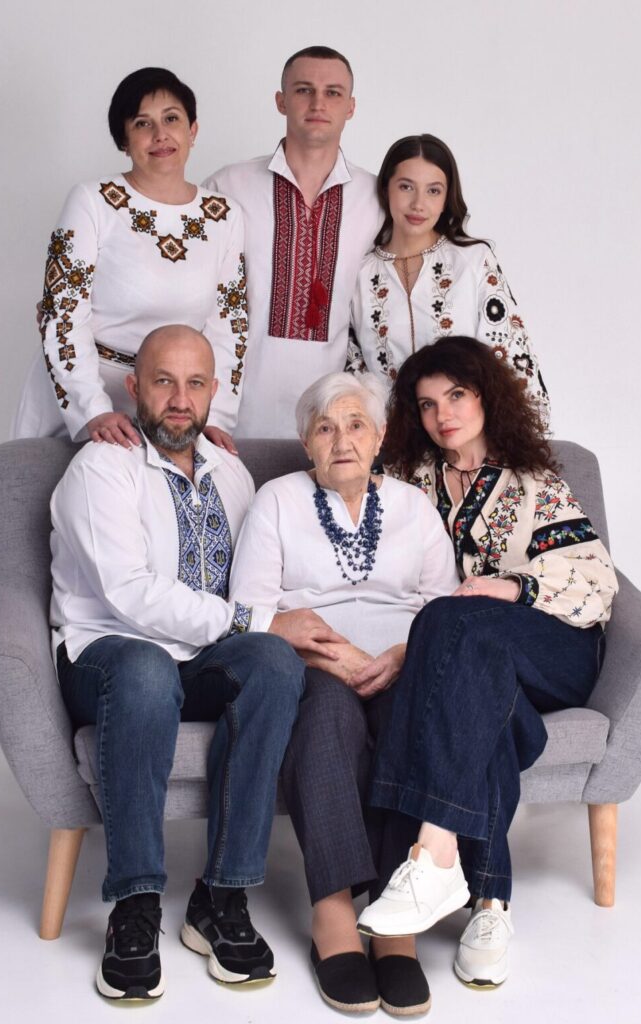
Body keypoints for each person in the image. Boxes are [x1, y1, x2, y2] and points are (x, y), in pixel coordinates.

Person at [50, 325, 344, 1000]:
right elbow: (129, 596)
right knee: (147, 670)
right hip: (107, 654)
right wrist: (256, 621)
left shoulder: (229, 469)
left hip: (201, 657)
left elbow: (258, 577)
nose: (179, 400)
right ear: (134, 387)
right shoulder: (100, 468)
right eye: (163, 382)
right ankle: (135, 905)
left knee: (274, 663)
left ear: (214, 391)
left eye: (194, 384)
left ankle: (221, 896)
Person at [356, 336, 617, 988]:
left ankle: (433, 856)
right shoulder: (409, 482)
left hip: (554, 648)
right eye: (426, 404)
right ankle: (489, 906)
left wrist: (511, 586)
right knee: (482, 703)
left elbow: (595, 583)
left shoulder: (533, 483)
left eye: (456, 395)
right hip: (474, 662)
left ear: (485, 397)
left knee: (452, 622)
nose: (442, 414)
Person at [230, 372, 460, 1015]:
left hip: (402, 663)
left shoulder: (414, 507)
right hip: (313, 664)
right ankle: (332, 911)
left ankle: (393, 920)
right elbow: (251, 608)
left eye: (356, 424)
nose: (342, 440)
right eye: (325, 428)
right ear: (306, 443)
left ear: (380, 436)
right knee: (327, 718)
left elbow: (444, 611)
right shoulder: (277, 500)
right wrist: (332, 656)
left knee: (409, 722)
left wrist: (401, 656)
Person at [14, 68, 247, 453]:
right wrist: (93, 410)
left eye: (171, 119)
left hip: (173, 404)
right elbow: (62, 314)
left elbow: (230, 325)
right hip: (86, 395)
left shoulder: (224, 214)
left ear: (192, 131)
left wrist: (215, 416)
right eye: (142, 123)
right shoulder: (92, 201)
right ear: (124, 139)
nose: (160, 135)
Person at [204, 46, 381, 439]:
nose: (318, 103)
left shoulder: (377, 199)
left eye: (333, 92)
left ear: (350, 107)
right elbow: (192, 298)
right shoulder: (227, 187)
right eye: (304, 90)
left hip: (336, 426)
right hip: (229, 416)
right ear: (281, 101)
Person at [349, 134, 550, 424]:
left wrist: (518, 438)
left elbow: (510, 355)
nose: (418, 204)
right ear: (385, 189)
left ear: (446, 198)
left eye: (433, 191)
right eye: (406, 187)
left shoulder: (473, 261)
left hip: (468, 439)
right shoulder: (358, 274)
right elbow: (354, 372)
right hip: (392, 440)